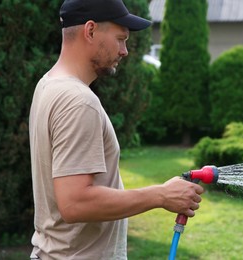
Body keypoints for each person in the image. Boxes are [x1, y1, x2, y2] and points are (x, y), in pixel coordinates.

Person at [28, 0, 204, 259]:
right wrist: (161, 195)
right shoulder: (78, 101)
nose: (125, 51)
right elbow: (75, 203)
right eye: (120, 38)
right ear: (90, 31)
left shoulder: (48, 85)